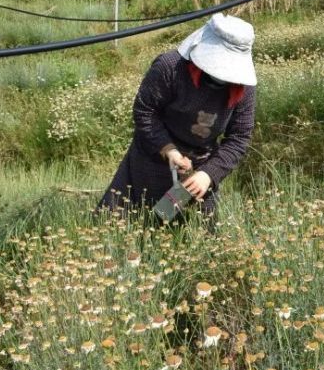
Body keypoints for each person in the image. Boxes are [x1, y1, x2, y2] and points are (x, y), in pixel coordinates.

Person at [99, 13, 257, 219]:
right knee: (123, 223)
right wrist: (169, 150)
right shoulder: (170, 67)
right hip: (152, 155)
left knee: (193, 236)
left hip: (199, 169)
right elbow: (145, 111)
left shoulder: (244, 88)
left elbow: (239, 138)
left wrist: (208, 174)